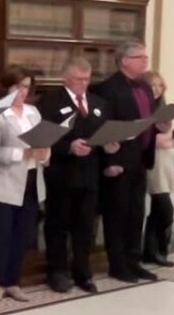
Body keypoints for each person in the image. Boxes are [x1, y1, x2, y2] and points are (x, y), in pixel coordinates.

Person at [38, 58, 117, 293]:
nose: (83, 84)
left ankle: (83, 271)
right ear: (66, 78)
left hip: (89, 176)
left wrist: (109, 148)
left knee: (85, 227)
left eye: (87, 79)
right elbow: (44, 137)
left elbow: (104, 133)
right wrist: (68, 147)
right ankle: (57, 272)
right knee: (58, 225)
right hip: (61, 174)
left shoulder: (98, 103)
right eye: (78, 79)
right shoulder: (50, 102)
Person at [91, 42, 168, 283]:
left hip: (141, 159)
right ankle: (118, 264)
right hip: (119, 162)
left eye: (146, 56)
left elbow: (149, 119)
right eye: (139, 57)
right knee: (117, 214)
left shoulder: (145, 87)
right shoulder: (108, 88)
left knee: (137, 213)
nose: (145, 61)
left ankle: (134, 261)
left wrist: (161, 124)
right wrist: (109, 161)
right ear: (124, 60)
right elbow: (103, 128)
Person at [0, 67, 49, 302]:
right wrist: (23, 154)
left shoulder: (33, 113)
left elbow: (44, 144)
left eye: (26, 87)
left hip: (30, 180)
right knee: (2, 235)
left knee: (23, 234)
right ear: (7, 88)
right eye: (18, 87)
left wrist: (45, 154)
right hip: (2, 183)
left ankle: (13, 280)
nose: (22, 92)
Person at [142, 70, 174, 267]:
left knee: (161, 210)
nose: (157, 90)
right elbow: (157, 141)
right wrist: (167, 139)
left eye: (160, 86)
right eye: (153, 86)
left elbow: (169, 139)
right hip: (152, 161)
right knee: (164, 208)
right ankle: (154, 250)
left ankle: (156, 250)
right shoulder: (144, 109)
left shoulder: (162, 108)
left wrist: (173, 137)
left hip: (163, 161)